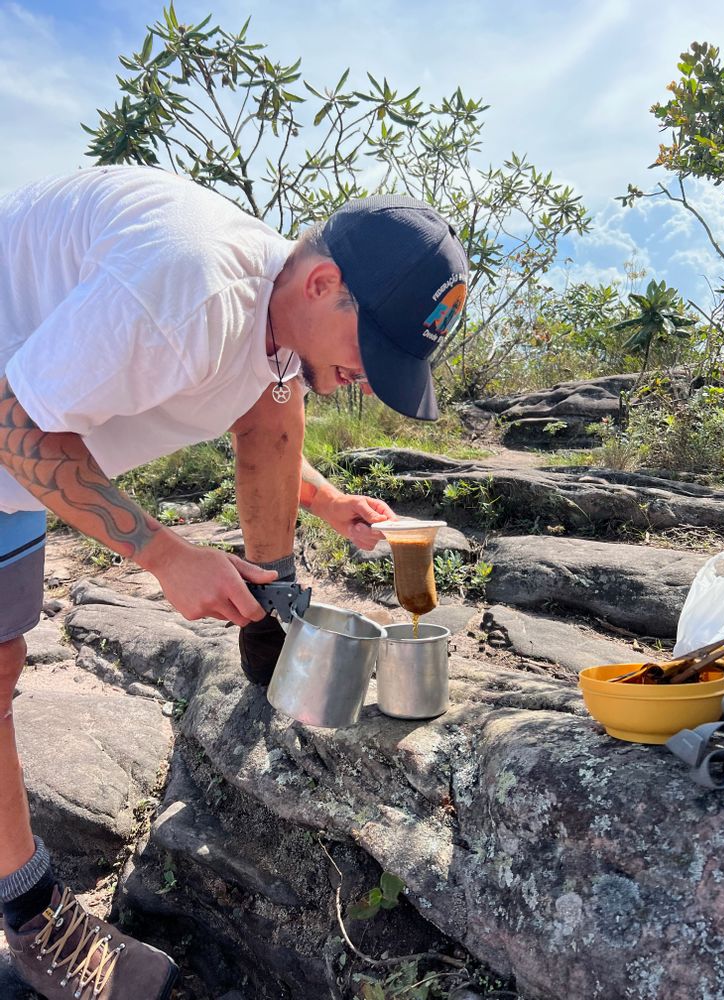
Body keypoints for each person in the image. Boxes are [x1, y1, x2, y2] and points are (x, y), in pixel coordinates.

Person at [0, 164, 469, 999]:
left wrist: (324, 506)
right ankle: (34, 916)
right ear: (326, 283)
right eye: (376, 352)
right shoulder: (188, 293)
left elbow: (266, 418)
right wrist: (165, 554)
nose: (373, 381)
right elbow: (17, 419)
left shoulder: (275, 317)